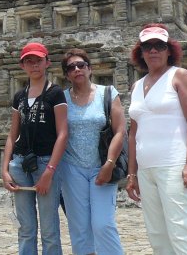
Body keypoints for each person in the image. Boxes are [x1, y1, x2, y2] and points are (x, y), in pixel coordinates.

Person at [126, 24, 187, 254]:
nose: (154, 51)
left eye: (159, 45)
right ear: (140, 52)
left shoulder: (179, 76)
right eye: (148, 46)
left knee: (182, 233)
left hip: (175, 164)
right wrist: (132, 173)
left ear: (169, 49)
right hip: (147, 169)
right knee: (158, 237)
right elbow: (133, 133)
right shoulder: (137, 85)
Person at [2, 42, 68, 255]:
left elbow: (63, 133)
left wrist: (50, 171)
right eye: (29, 61)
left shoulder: (55, 93)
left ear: (47, 62)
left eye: (38, 60)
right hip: (20, 164)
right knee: (26, 227)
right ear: (22, 66)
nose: (34, 65)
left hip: (45, 162)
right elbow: (13, 134)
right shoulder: (19, 96)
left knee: (49, 227)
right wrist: (5, 170)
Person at [58, 48, 125, 255]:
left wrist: (109, 164)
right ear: (67, 74)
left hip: (102, 166)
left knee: (103, 224)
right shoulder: (61, 98)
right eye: (71, 67)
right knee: (80, 228)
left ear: (90, 68)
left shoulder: (108, 93)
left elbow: (120, 131)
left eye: (81, 65)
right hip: (71, 169)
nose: (77, 69)